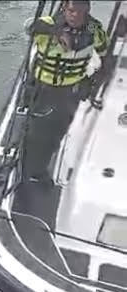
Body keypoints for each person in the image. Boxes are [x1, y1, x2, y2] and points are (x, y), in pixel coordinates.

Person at [23, 0, 110, 181]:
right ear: (64, 9)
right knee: (36, 132)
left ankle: (40, 169)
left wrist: (94, 82)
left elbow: (103, 50)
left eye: (80, 11)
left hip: (70, 91)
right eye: (71, 10)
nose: (75, 15)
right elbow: (29, 26)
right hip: (43, 87)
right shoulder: (47, 23)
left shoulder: (94, 29)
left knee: (58, 131)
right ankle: (25, 167)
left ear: (87, 10)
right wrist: (57, 31)